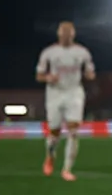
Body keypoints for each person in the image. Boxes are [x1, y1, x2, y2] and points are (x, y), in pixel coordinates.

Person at [36, 21, 95, 182]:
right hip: (54, 93)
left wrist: (89, 75)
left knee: (73, 130)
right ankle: (50, 156)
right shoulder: (49, 52)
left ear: (73, 34)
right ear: (59, 34)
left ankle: (67, 169)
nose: (67, 35)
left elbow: (90, 71)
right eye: (64, 33)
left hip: (74, 92)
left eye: (70, 33)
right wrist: (49, 77)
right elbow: (39, 75)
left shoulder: (82, 52)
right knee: (54, 131)